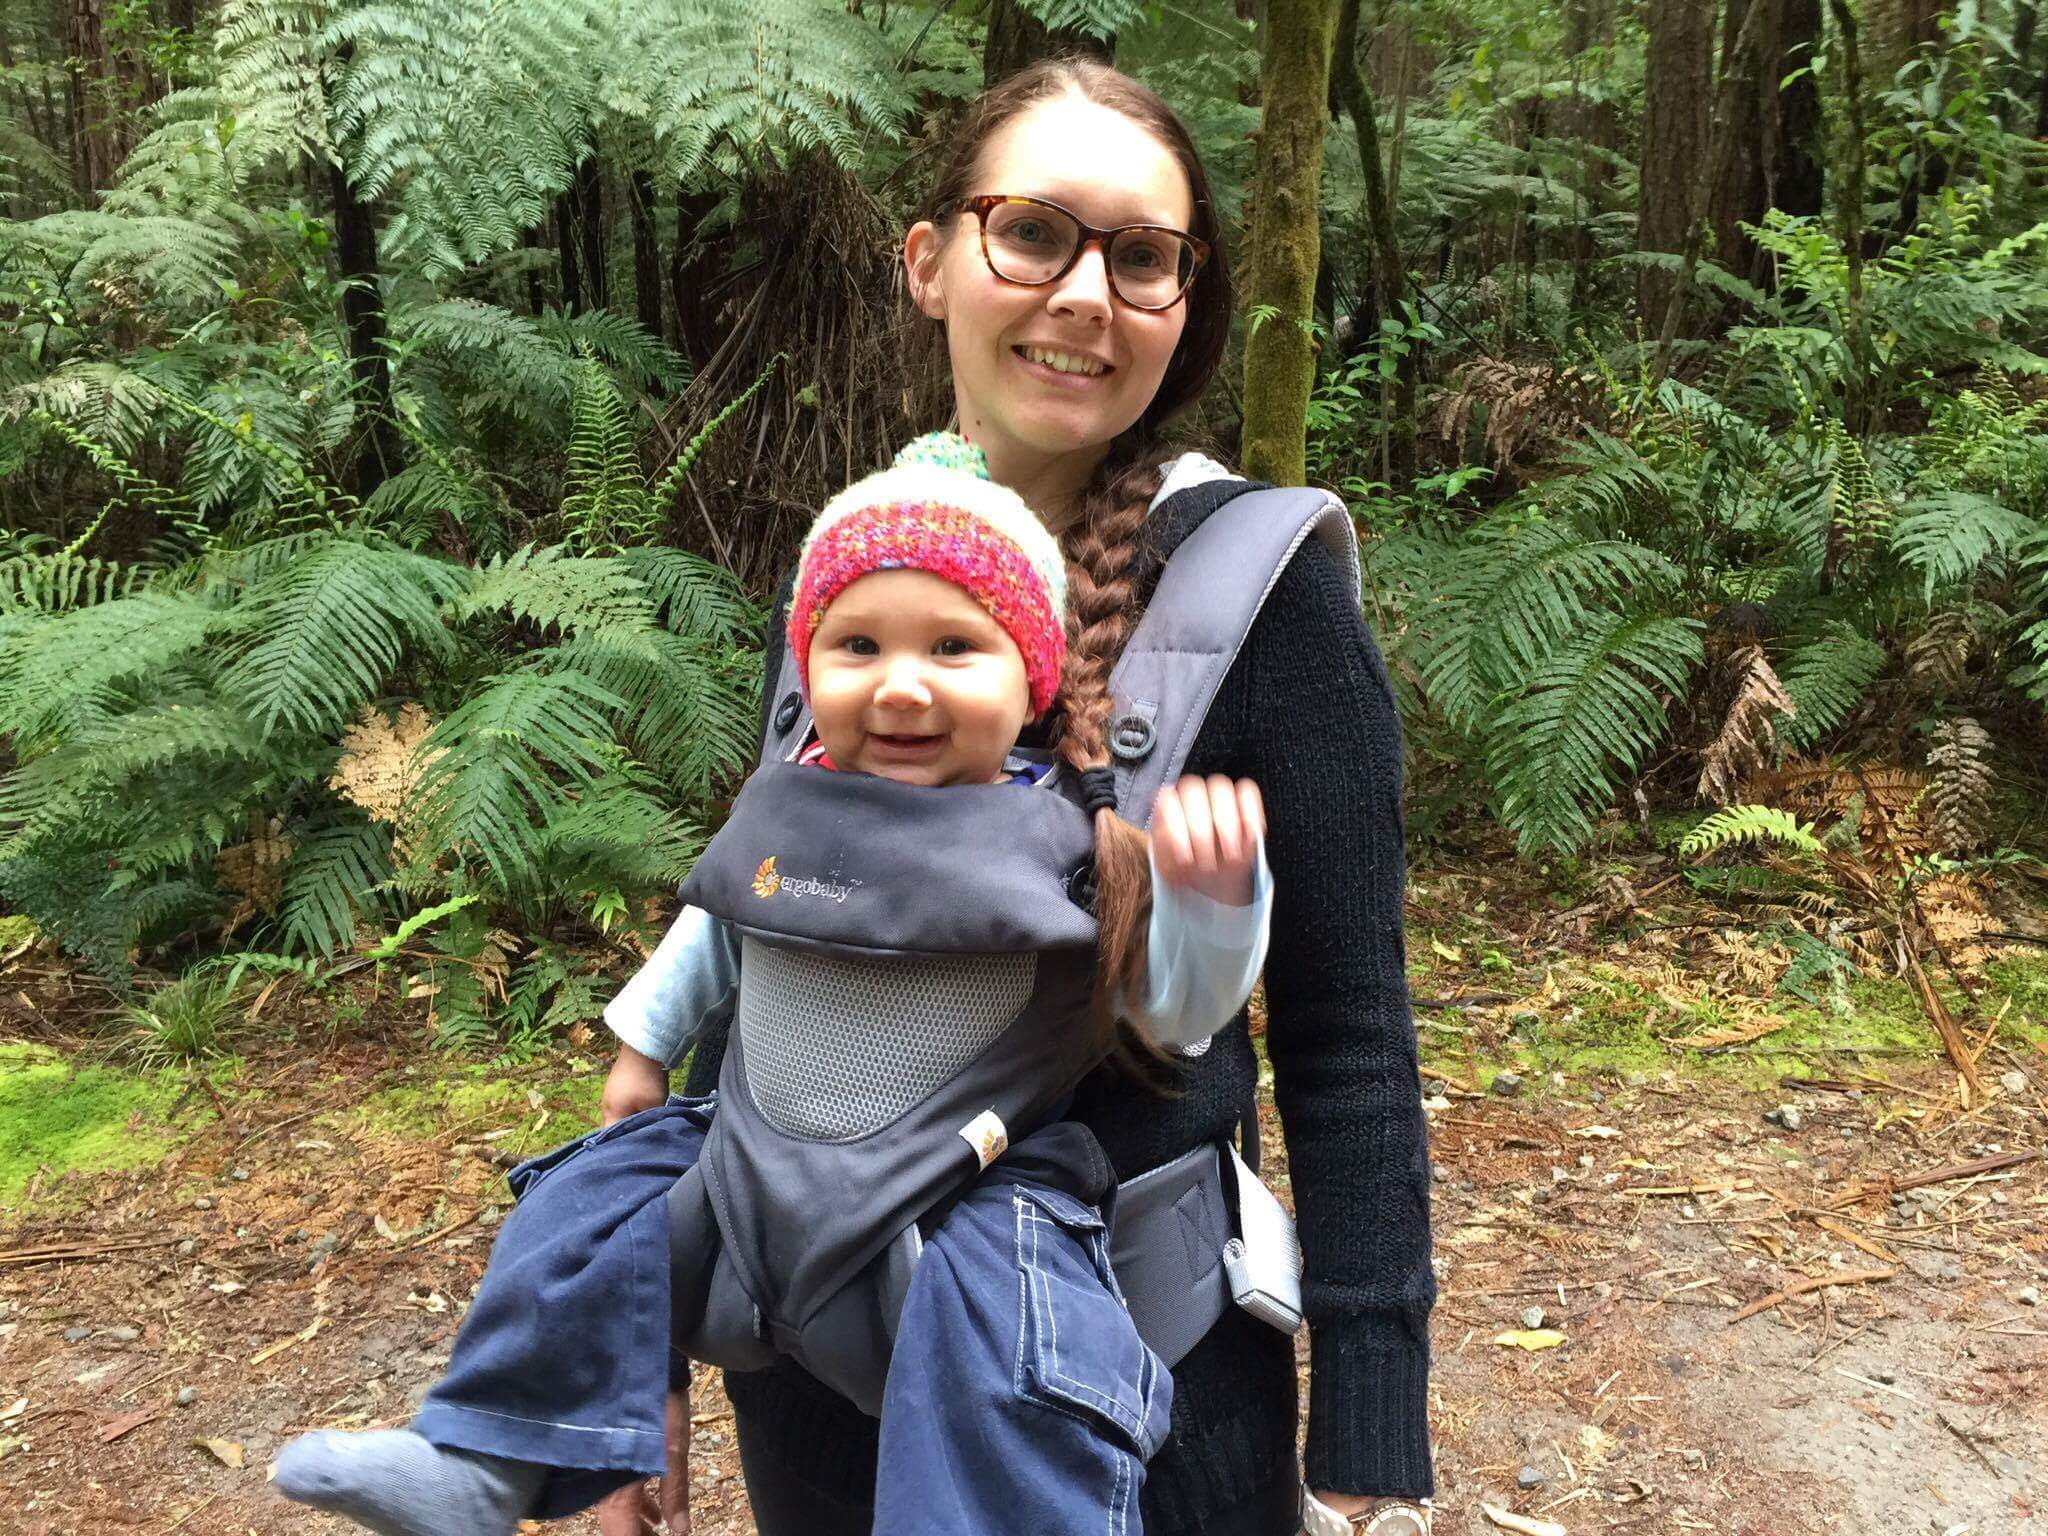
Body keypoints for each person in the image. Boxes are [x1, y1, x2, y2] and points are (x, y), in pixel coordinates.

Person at [609, 57, 1437, 1536]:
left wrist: (1369, 1394)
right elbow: (765, 959)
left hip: (1147, 1374)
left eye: (1142, 256)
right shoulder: (856, 570)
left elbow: (1348, 1022)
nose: (1086, 293)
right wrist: (636, 1347)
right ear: (929, 263)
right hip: (815, 1353)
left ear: (1183, 304)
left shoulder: (1266, 590)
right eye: (1034, 233)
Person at [270, 433, 1277, 1536]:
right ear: (809, 666)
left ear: (1027, 674)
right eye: (855, 647)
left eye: (953, 646)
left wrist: (1211, 900)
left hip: (959, 1200)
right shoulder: (789, 800)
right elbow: (718, 929)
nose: (899, 685)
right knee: (581, 1207)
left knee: (1022, 1336)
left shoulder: (1066, 840)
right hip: (741, 1163)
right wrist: (640, 1055)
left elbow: (1176, 1015)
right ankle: (481, 1462)